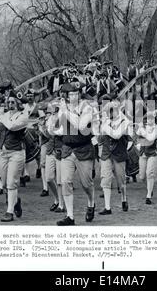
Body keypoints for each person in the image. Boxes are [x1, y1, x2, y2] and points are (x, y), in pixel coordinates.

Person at [51, 82, 96, 226]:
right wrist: (54, 120)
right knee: (65, 182)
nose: (74, 97)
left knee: (86, 183)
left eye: (76, 93)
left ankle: (91, 202)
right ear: (66, 96)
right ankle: (70, 216)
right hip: (67, 148)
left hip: (83, 148)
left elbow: (81, 125)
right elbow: (55, 129)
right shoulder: (63, 108)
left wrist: (65, 112)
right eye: (71, 94)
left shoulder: (87, 107)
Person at [0, 90, 28, 222]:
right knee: (4, 183)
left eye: (13, 102)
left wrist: (1, 116)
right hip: (3, 153)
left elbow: (11, 126)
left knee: (11, 183)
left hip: (16, 152)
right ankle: (16, 200)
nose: (10, 104)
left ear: (18, 103)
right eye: (8, 102)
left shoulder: (23, 116)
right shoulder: (4, 115)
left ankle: (9, 212)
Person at [98, 99, 132, 215]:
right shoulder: (107, 121)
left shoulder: (125, 121)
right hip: (107, 153)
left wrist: (105, 126)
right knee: (106, 179)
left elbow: (117, 135)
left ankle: (124, 198)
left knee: (121, 182)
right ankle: (107, 207)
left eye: (111, 111)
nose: (109, 114)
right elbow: (100, 138)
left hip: (119, 153)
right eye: (108, 111)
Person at [136, 111, 157, 204]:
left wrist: (142, 130)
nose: (149, 120)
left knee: (149, 173)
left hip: (152, 153)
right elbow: (137, 133)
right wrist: (140, 127)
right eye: (147, 118)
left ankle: (149, 195)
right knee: (142, 176)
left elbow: (151, 138)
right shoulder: (142, 127)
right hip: (143, 153)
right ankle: (149, 188)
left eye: (151, 118)